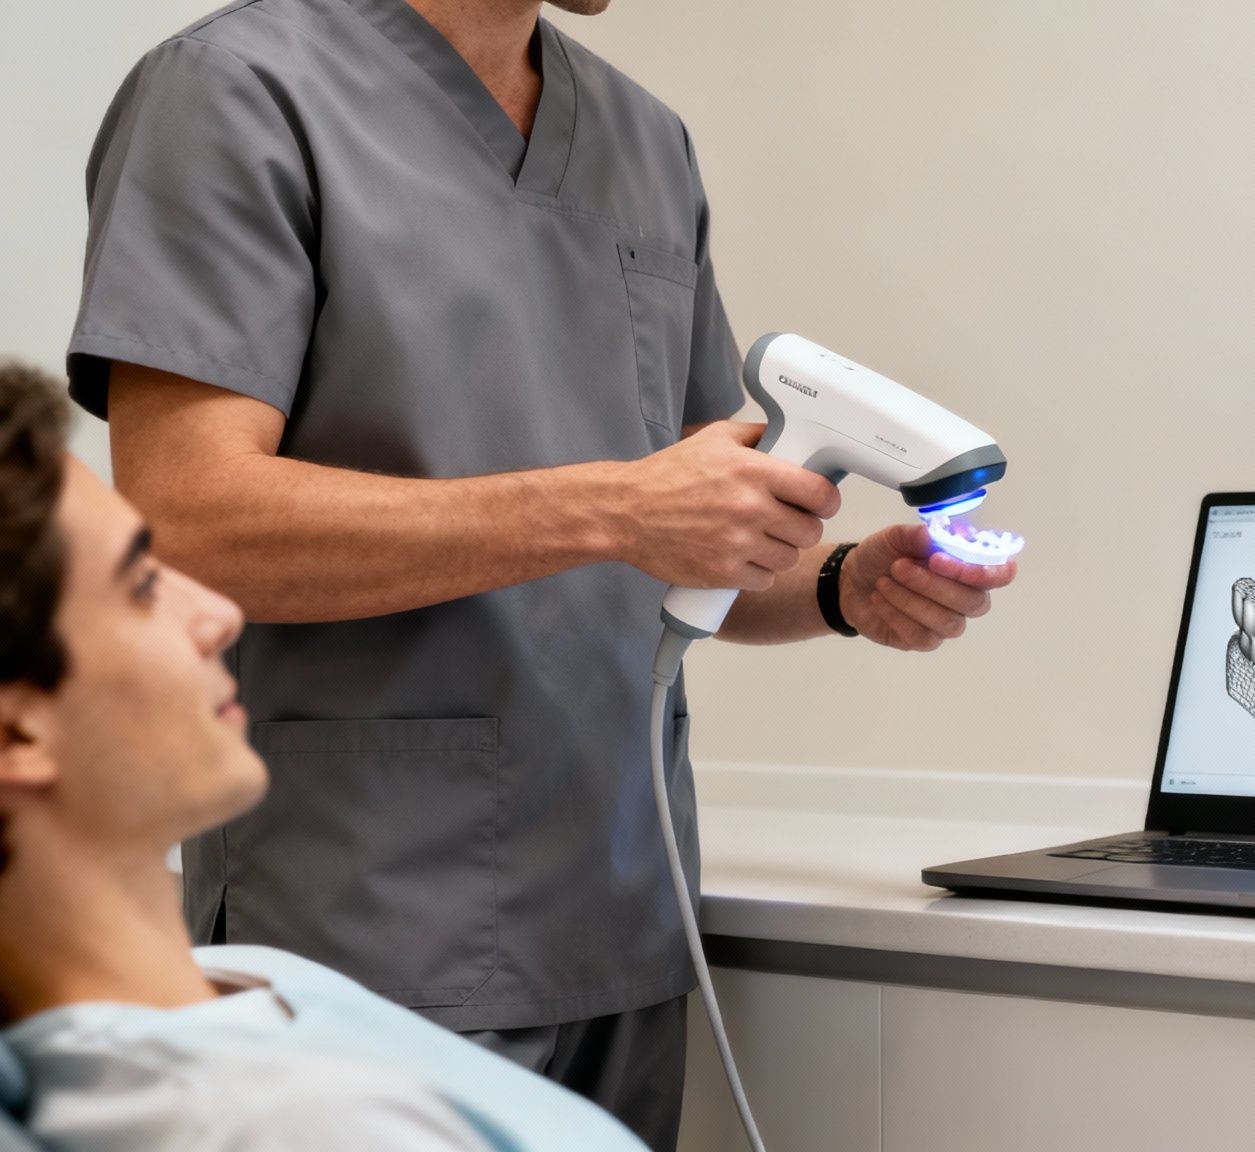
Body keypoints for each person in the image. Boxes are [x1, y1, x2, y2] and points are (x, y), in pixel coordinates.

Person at [67, 0, 1017, 1143]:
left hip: (624, 921)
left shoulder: (642, 139)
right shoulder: (231, 91)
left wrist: (838, 585)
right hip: (364, 927)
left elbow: (693, 531)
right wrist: (610, 509)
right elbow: (186, 523)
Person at [0, 363, 647, 1150]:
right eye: (141, 583)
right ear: (17, 733)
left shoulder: (259, 983)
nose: (217, 614)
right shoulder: (271, 1123)